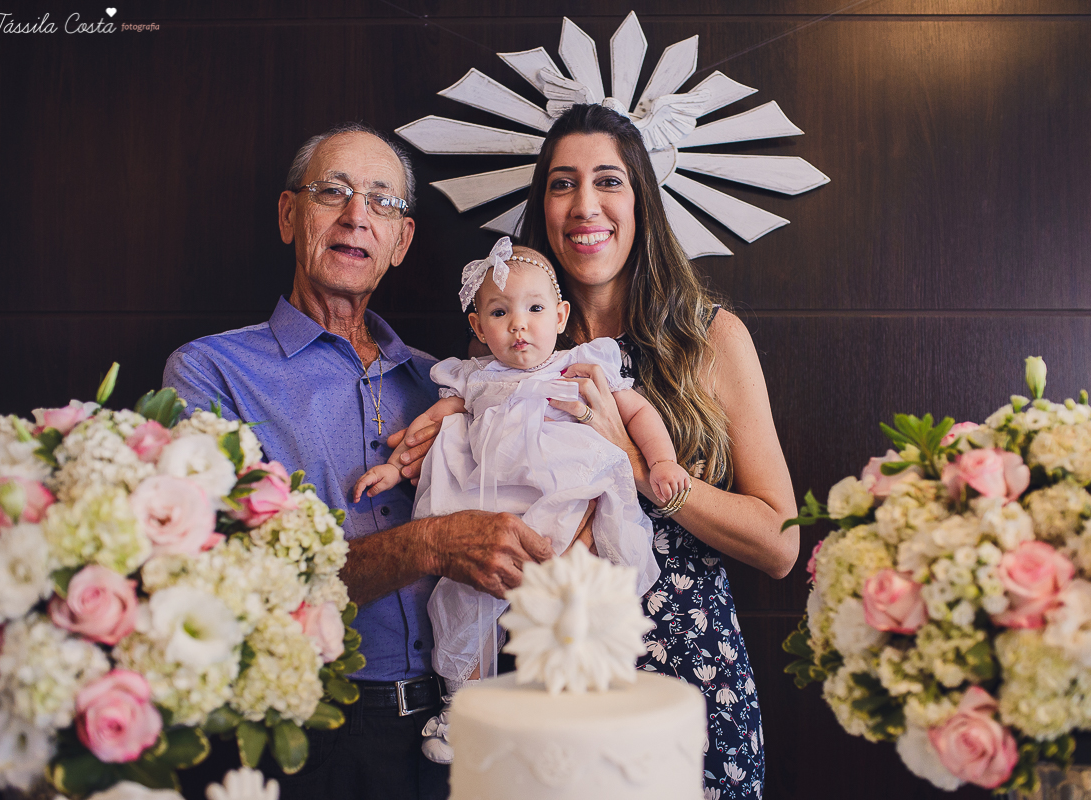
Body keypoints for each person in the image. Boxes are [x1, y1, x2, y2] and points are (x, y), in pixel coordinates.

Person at [162, 122, 553, 800]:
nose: (356, 216)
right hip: (312, 731)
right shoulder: (211, 372)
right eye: (332, 192)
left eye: (382, 201)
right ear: (290, 216)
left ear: (401, 243)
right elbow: (224, 582)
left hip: (464, 719)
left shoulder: (449, 383)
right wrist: (430, 544)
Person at [516, 103, 802, 799]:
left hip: (690, 678)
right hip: (551, 675)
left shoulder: (709, 338)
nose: (585, 205)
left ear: (641, 199)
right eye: (562, 184)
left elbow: (779, 542)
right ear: (542, 207)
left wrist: (641, 469)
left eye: (608, 181)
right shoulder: (512, 345)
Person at [354, 239, 684, 761]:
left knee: (574, 601)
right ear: (477, 327)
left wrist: (661, 462)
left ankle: (578, 700)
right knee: (462, 600)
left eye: (534, 310)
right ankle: (463, 707)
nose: (518, 325)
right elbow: (429, 427)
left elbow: (637, 412)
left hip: (565, 501)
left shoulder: (580, 366)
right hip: (490, 512)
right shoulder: (475, 378)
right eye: (499, 312)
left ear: (561, 314)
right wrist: (394, 466)